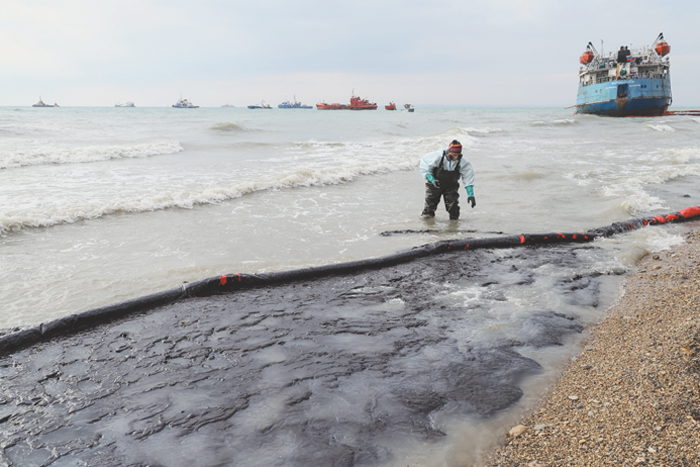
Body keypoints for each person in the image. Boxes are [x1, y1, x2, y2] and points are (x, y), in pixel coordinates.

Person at [419, 140, 475, 220]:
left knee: (453, 208)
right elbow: (425, 168)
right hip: (434, 185)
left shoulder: (463, 161)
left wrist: (471, 195)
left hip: (451, 186)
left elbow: (468, 177)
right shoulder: (437, 157)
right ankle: (427, 226)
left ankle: (454, 226)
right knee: (430, 206)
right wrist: (432, 180)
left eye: (458, 156)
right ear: (448, 152)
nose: (455, 158)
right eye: (453, 155)